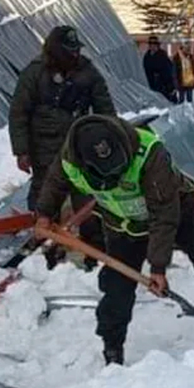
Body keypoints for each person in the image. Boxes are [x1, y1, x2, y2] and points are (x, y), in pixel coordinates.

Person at [34, 114, 194, 365]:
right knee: (116, 288)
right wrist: (44, 215)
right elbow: (54, 184)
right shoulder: (70, 159)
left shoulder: (149, 153)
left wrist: (158, 267)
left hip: (175, 212)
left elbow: (163, 214)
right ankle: (112, 351)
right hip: (123, 226)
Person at [8, 25, 115, 269]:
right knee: (45, 197)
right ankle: (47, 250)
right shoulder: (34, 74)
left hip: (78, 147)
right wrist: (21, 150)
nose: (75, 55)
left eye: (77, 50)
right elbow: (19, 113)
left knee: (86, 196)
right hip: (43, 147)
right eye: (70, 51)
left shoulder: (88, 73)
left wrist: (108, 141)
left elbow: (105, 110)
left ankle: (94, 250)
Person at [143, 35, 176, 102]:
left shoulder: (162, 55)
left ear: (157, 45)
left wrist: (170, 86)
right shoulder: (147, 56)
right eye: (150, 44)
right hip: (151, 83)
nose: (152, 46)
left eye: (154, 44)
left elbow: (168, 71)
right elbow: (145, 69)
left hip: (163, 84)